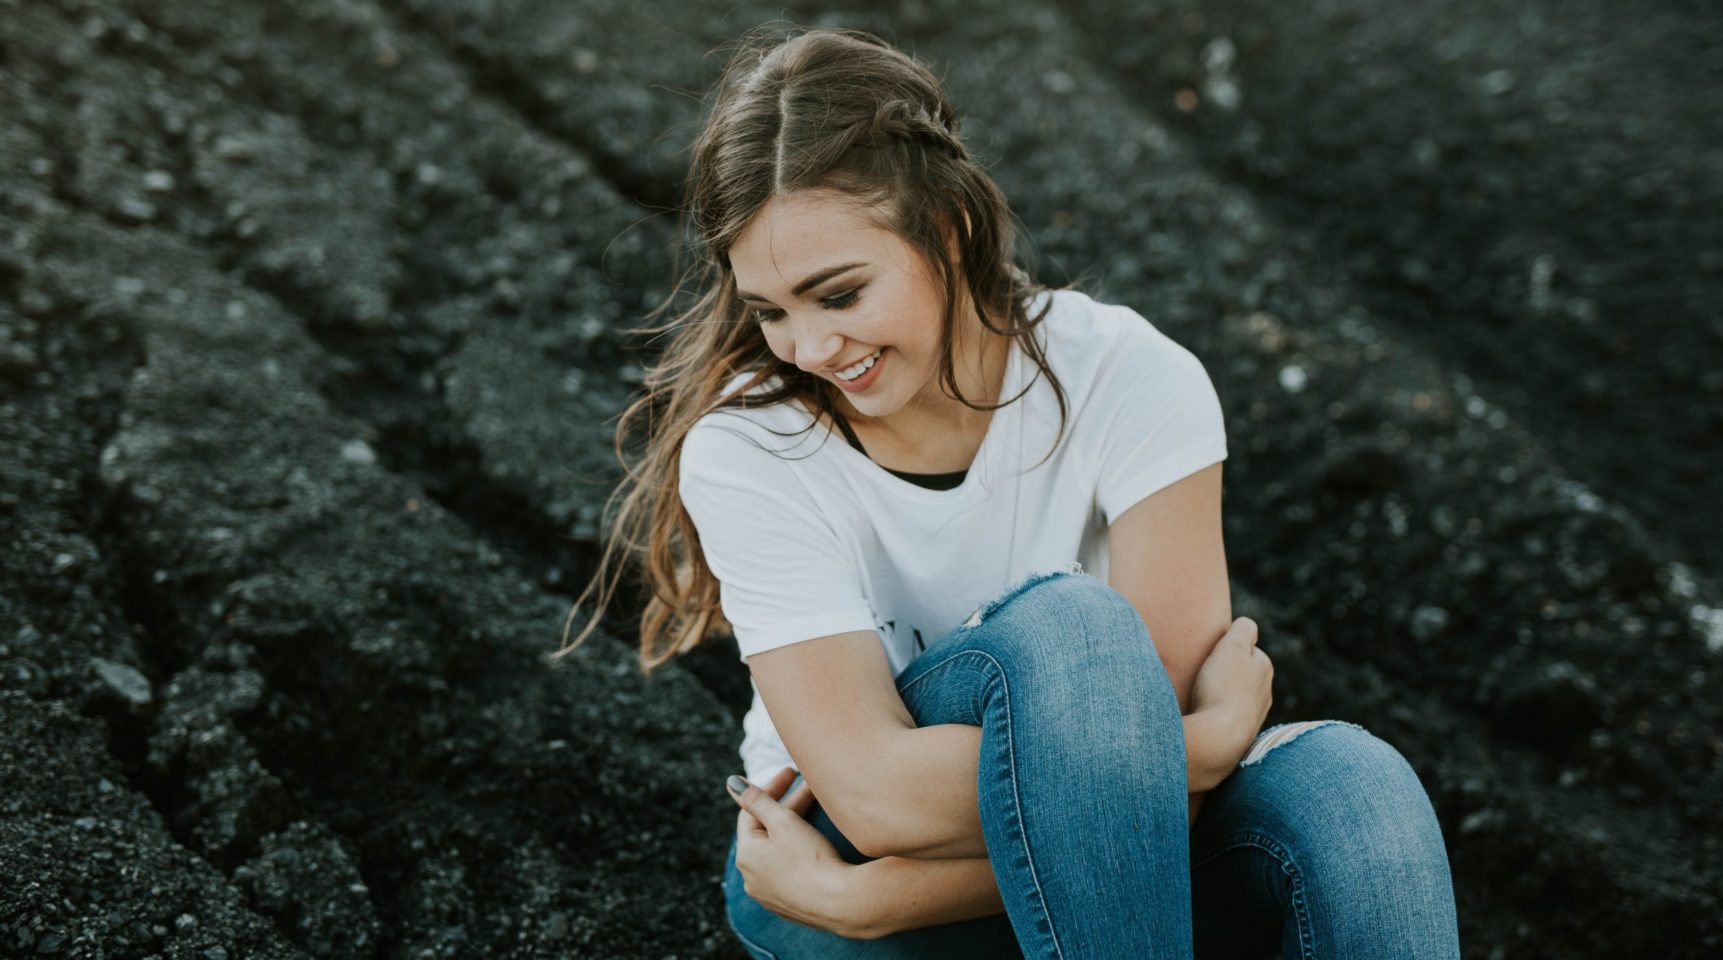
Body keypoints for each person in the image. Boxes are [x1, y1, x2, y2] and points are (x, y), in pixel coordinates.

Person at [555, 25, 1461, 959]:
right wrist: (1202, 741)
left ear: (945, 230)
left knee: (1355, 786)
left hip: (987, 881)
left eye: (839, 296)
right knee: (1080, 636)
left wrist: (886, 897)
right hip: (840, 865)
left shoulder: (1129, 378)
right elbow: (873, 798)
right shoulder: (748, 451)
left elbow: (1172, 809)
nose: (810, 349)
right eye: (771, 312)